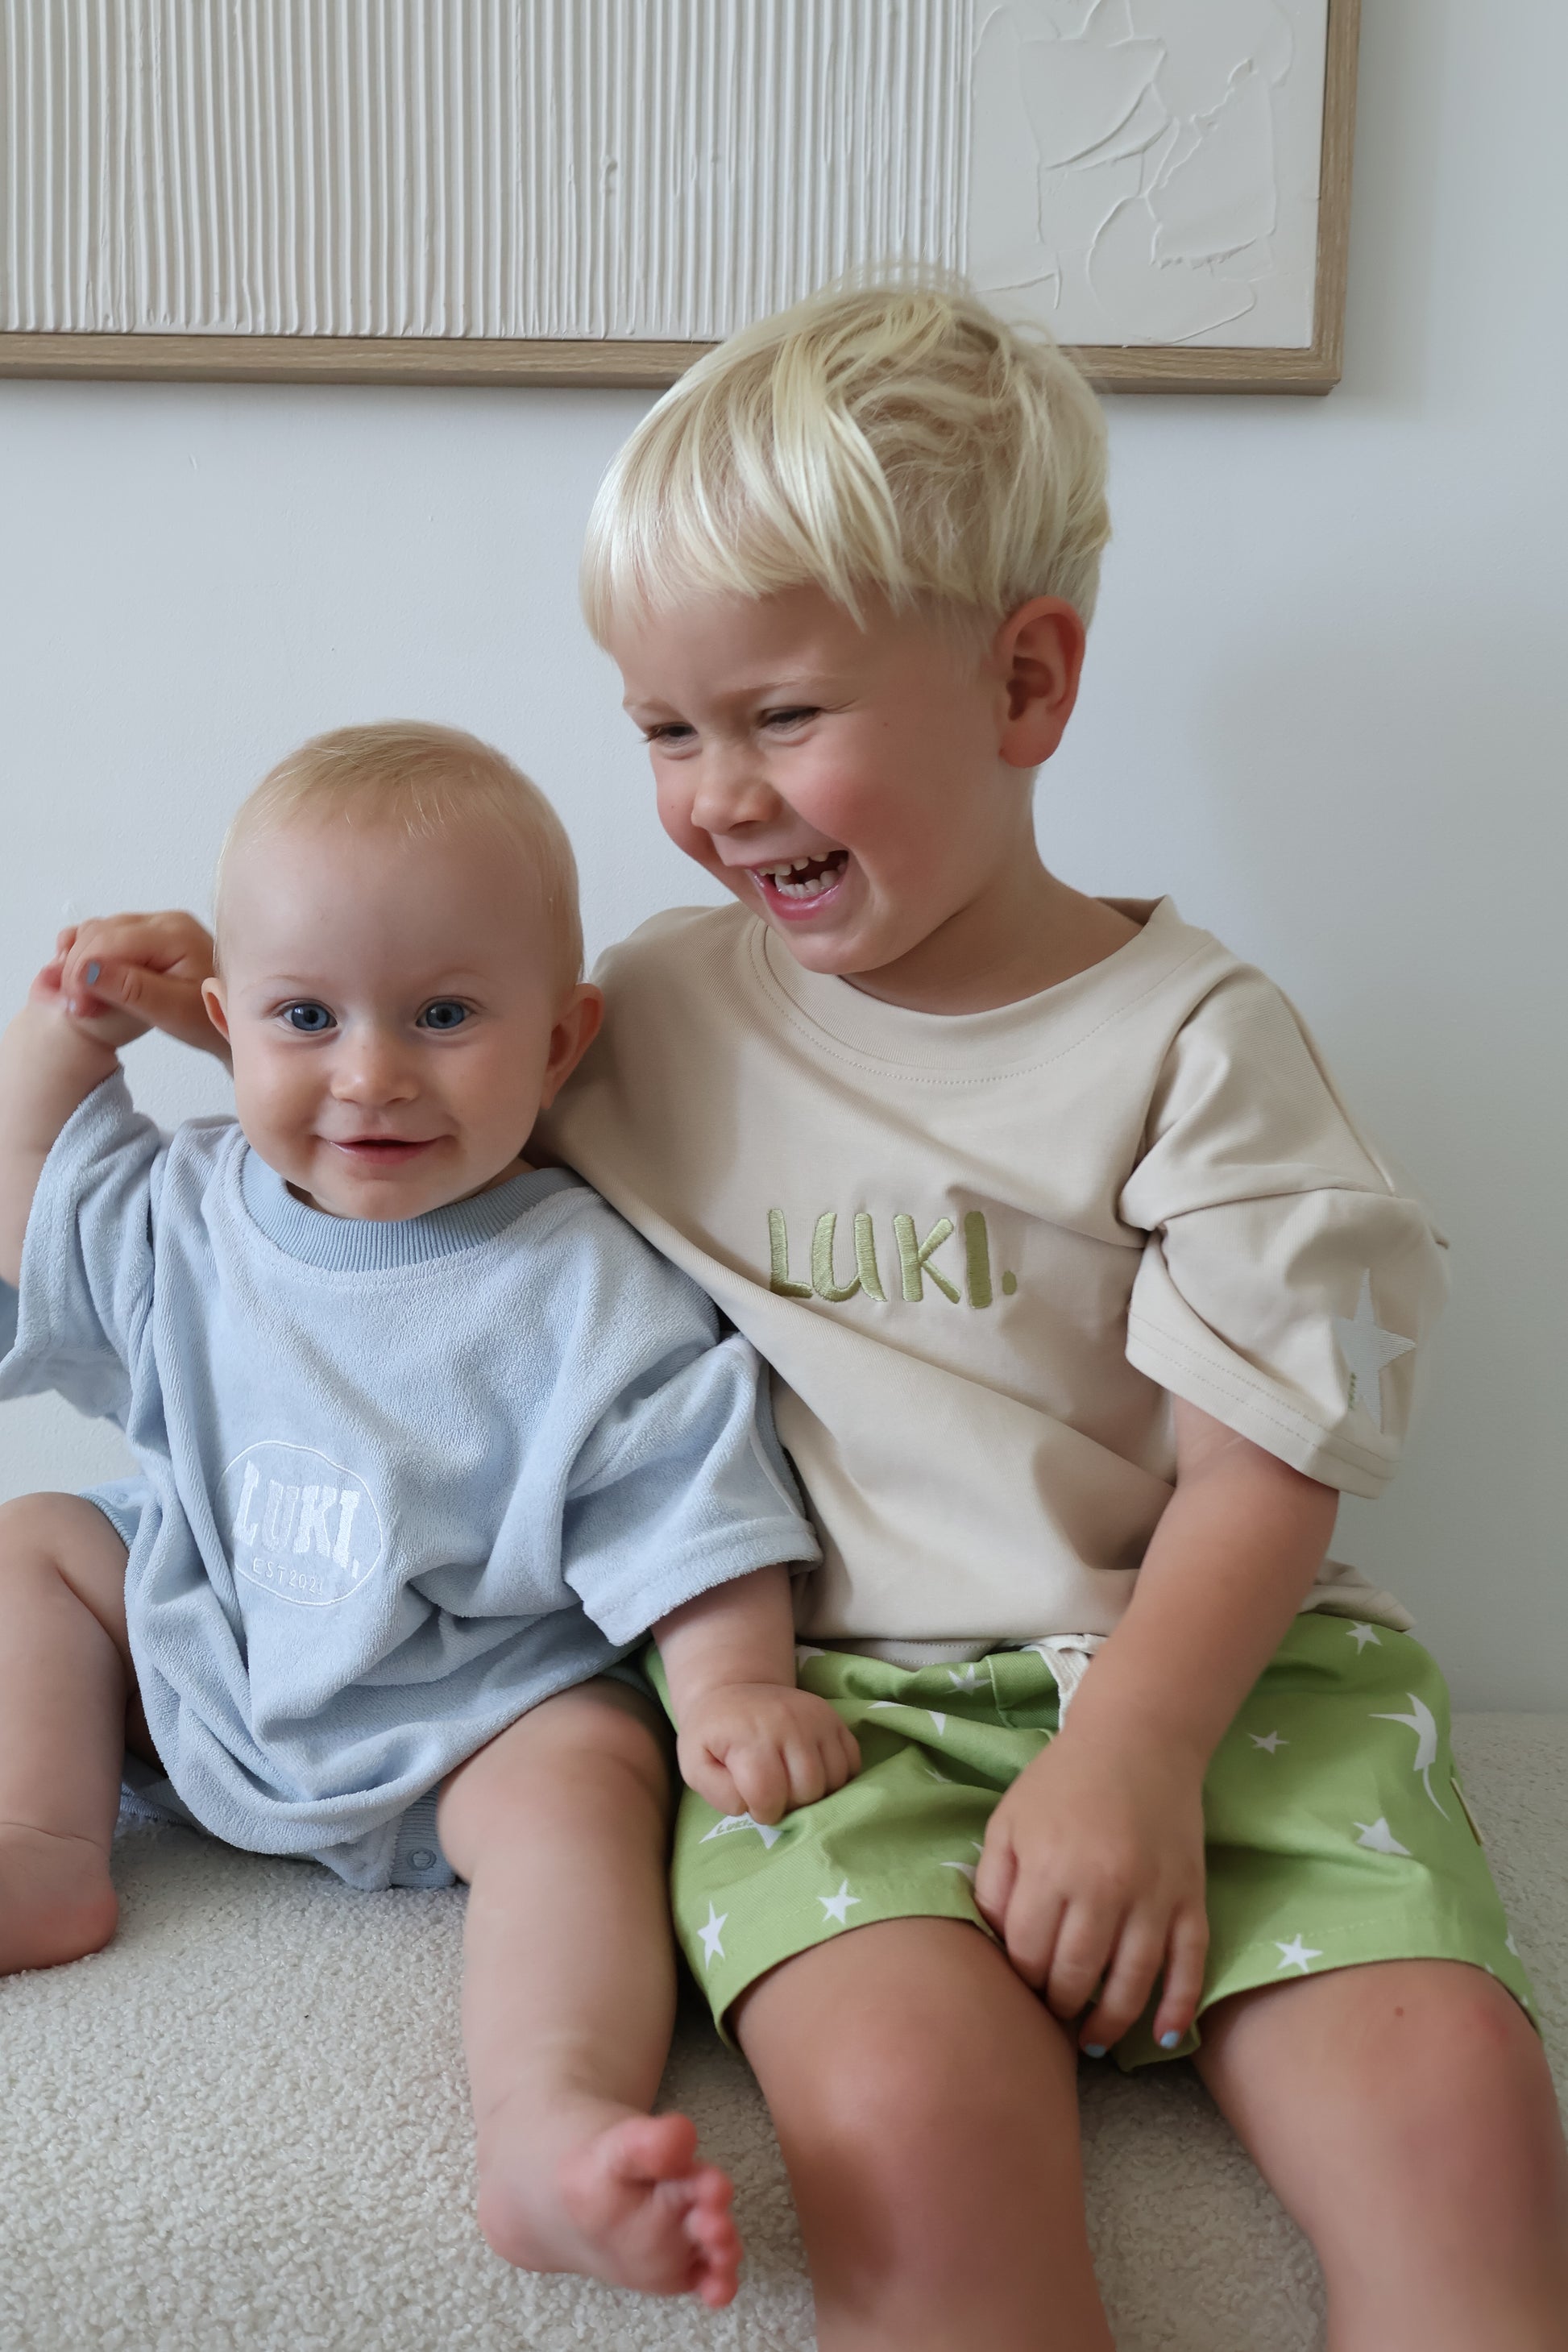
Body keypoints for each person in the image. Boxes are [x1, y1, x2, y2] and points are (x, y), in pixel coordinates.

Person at [63, 282, 1568, 2347]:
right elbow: (398, 1102)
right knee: (905, 2138)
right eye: (665, 731)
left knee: (1458, 2123)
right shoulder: (656, 1010)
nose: (717, 795)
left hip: (1221, 1682)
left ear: (1024, 681)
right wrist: (219, 1010)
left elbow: (1259, 1468)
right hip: (836, 1720)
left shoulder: (1195, 1047)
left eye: (779, 717)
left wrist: (1133, 1753)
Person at [0, 720, 861, 2312]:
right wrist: (62, 1036)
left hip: (477, 1711)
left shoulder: (583, 1282)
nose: (371, 1072)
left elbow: (687, 1507)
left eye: (445, 1015)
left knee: (588, 1781)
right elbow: (32, 1196)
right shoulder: (191, 1208)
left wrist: (735, 1686)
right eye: (306, 1017)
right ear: (225, 1024)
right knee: (38, 1538)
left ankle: (545, 2119)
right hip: (213, 1658)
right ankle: (45, 1846)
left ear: (559, 1039)